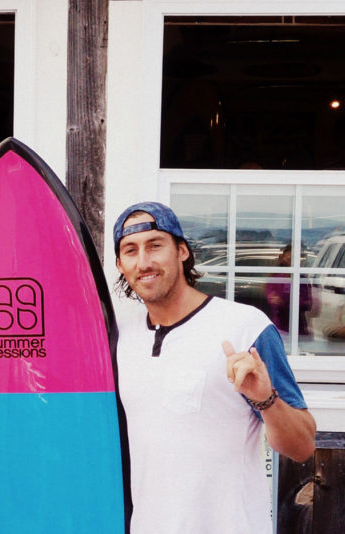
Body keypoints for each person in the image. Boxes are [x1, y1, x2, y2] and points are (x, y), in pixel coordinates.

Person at [112, 201, 316, 534]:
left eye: (155, 245)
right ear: (121, 265)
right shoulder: (120, 339)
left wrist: (266, 400)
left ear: (181, 251)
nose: (144, 262)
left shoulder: (245, 327)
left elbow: (302, 446)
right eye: (130, 251)